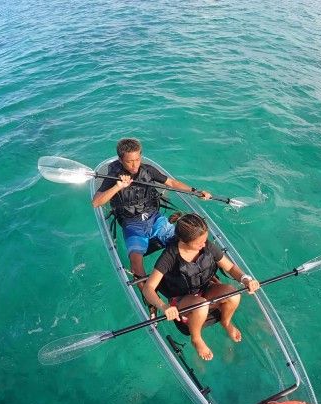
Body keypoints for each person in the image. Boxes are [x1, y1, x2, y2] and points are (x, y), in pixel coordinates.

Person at [92, 138, 212, 288]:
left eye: (137, 159)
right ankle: (149, 300)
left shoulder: (148, 170)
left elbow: (172, 183)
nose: (135, 165)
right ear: (120, 160)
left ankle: (204, 276)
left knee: (188, 239)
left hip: (155, 218)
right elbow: (96, 202)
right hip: (132, 224)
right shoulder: (113, 177)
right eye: (129, 161)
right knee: (135, 261)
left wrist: (195, 191)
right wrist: (118, 186)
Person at [142, 213, 260, 361]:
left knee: (234, 294)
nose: (204, 245)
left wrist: (246, 279)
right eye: (199, 242)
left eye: (205, 240)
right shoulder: (170, 256)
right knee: (201, 306)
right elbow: (148, 288)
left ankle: (226, 322)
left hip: (204, 289)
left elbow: (230, 268)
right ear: (184, 241)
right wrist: (163, 306)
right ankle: (196, 338)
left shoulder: (207, 246)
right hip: (182, 300)